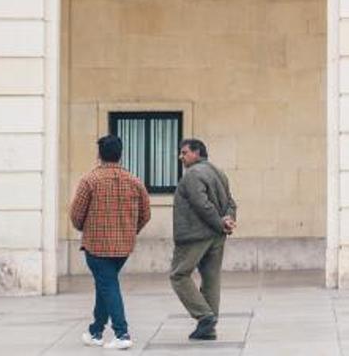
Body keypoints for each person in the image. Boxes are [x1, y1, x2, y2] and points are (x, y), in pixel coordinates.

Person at [69, 133, 151, 350]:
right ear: (120, 154)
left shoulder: (90, 180)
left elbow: (76, 214)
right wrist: (131, 231)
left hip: (96, 245)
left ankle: (122, 333)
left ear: (99, 154)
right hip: (123, 246)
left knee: (108, 285)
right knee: (105, 285)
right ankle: (95, 331)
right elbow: (145, 214)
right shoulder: (135, 181)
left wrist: (83, 228)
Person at [170, 138, 237, 342]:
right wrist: (228, 220)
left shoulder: (193, 174)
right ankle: (208, 327)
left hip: (194, 235)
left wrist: (220, 222)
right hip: (217, 236)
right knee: (211, 278)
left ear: (197, 153)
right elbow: (231, 202)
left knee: (179, 275)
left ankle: (204, 316)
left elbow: (202, 204)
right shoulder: (219, 172)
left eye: (184, 153)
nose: (181, 157)